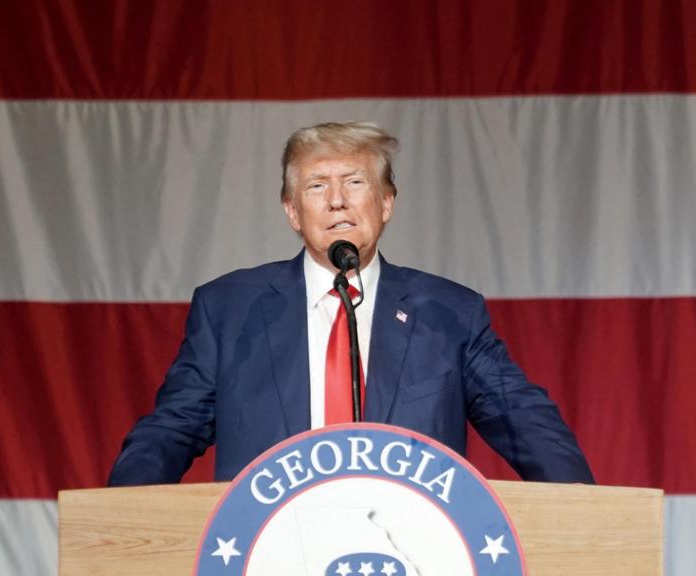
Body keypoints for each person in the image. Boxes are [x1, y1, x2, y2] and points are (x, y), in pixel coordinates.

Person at [108, 122, 594, 485]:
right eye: (317, 186)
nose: (337, 200)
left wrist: (589, 517)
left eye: (355, 182)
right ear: (293, 212)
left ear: (386, 203)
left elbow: (525, 423)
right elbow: (172, 430)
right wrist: (117, 517)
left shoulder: (448, 313)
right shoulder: (230, 310)